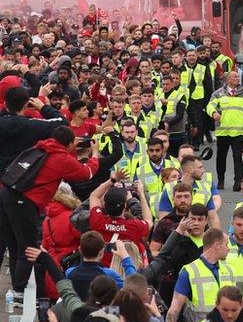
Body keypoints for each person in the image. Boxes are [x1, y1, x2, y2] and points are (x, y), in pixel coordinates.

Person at [0, 125, 99, 307]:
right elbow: (87, 173)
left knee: (14, 244)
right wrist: (95, 155)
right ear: (70, 143)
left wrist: (70, 150)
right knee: (29, 247)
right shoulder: (61, 158)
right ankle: (19, 292)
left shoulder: (41, 147)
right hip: (24, 201)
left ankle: (16, 289)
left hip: (6, 194)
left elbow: (58, 163)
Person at [167, 228, 238, 322]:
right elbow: (175, 308)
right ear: (216, 245)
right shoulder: (189, 272)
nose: (228, 248)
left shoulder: (229, 270)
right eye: (226, 244)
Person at [207, 70, 243, 191]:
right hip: (223, 132)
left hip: (238, 132)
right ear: (228, 80)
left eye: (238, 77)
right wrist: (213, 113)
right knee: (221, 158)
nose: (237, 79)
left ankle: (238, 182)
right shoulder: (218, 93)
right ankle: (221, 180)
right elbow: (209, 106)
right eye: (234, 77)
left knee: (237, 157)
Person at [88, 178, 152, 264]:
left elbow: (94, 196)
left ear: (105, 204)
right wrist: (141, 194)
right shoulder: (135, 226)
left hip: (103, 272)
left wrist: (112, 180)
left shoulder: (98, 221)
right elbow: (149, 222)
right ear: (125, 205)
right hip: (125, 272)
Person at [65, 231, 137, 299]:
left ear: (80, 250)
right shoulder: (109, 275)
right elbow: (134, 285)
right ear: (101, 252)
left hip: (77, 310)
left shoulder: (70, 272)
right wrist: (125, 256)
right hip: (103, 311)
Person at [158, 154, 221, 229]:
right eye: (200, 167)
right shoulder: (169, 189)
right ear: (190, 169)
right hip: (176, 236)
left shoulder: (205, 189)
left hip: (199, 236)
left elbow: (213, 219)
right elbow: (164, 221)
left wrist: (218, 238)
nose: (203, 171)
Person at [132, 136, 180, 221]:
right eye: (151, 150)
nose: (154, 153)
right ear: (147, 152)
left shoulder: (174, 165)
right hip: (149, 211)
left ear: (163, 150)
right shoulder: (140, 170)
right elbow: (136, 192)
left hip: (171, 209)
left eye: (157, 150)